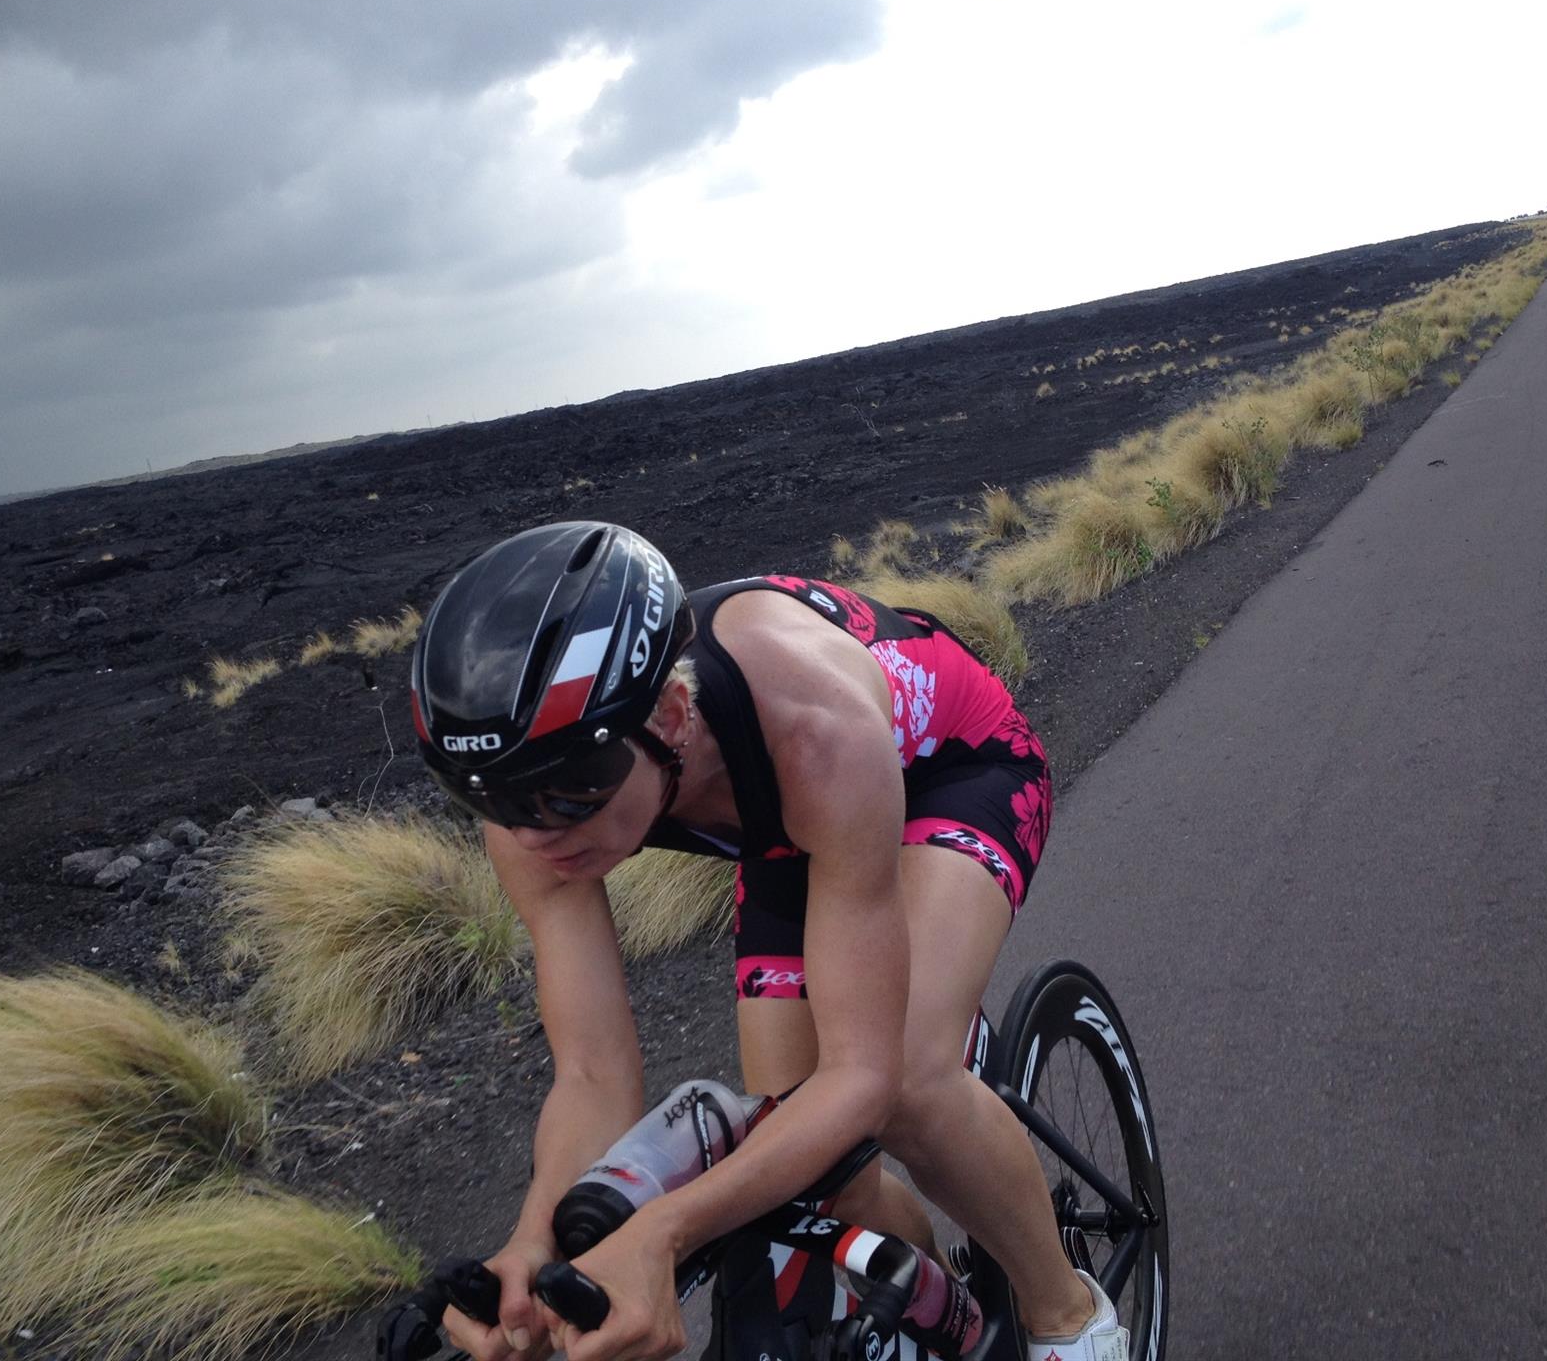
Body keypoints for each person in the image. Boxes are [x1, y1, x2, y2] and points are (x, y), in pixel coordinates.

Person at [410, 521, 1126, 1361]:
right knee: (820, 1177)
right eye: (493, 802)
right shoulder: (530, 806)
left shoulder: (810, 722)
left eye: (572, 791)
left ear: (671, 716)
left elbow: (861, 1078)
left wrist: (664, 1232)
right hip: (793, 829)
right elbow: (593, 1073)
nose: (537, 834)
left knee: (903, 1080)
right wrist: (534, 1242)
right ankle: (953, 1322)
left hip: (953, 767)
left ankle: (1068, 1315)